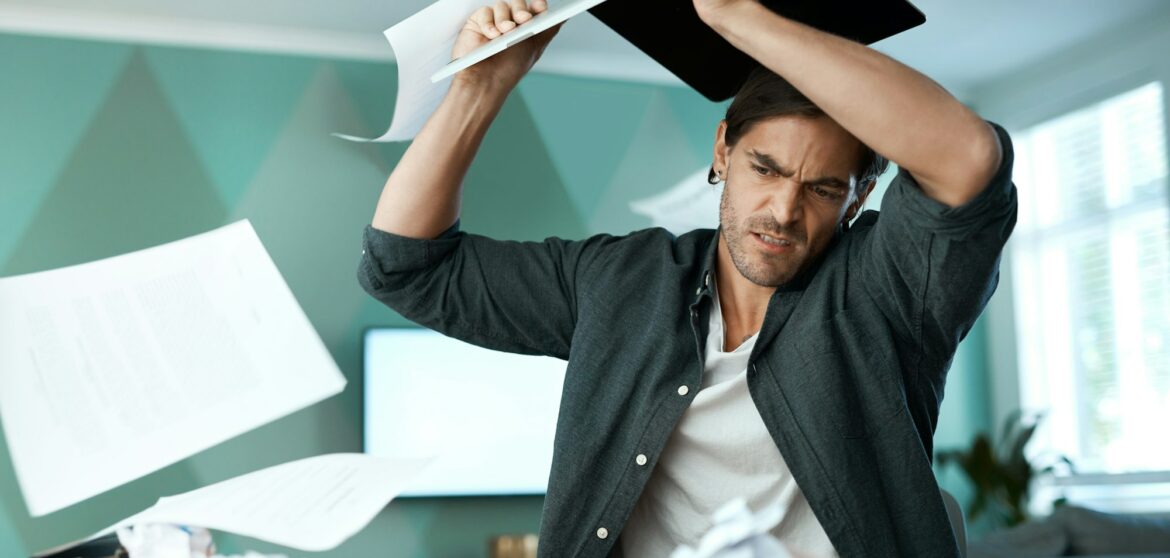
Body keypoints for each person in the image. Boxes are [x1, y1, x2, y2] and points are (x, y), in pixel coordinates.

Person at [356, 0, 1017, 556]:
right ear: (722, 149)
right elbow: (407, 265)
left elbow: (967, 156)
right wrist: (481, 86)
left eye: (821, 188)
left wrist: (733, 15)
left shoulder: (888, 289)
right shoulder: (619, 281)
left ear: (860, 195)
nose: (783, 212)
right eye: (765, 168)